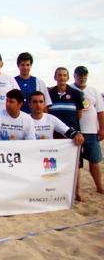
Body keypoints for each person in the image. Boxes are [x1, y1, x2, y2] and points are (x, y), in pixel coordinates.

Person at [71, 66, 104, 194]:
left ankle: (99, 187)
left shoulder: (94, 91)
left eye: (84, 75)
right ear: (74, 76)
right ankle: (76, 191)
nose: (82, 78)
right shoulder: (70, 89)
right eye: (79, 75)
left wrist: (102, 129)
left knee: (94, 161)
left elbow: (101, 112)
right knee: (76, 164)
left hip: (91, 131)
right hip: (75, 132)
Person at [47, 67, 84, 134]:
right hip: (54, 132)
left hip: (73, 131)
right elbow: (47, 112)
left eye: (64, 75)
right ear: (55, 77)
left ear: (68, 78)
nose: (62, 77)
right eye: (59, 75)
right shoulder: (49, 93)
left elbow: (79, 114)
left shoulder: (76, 93)